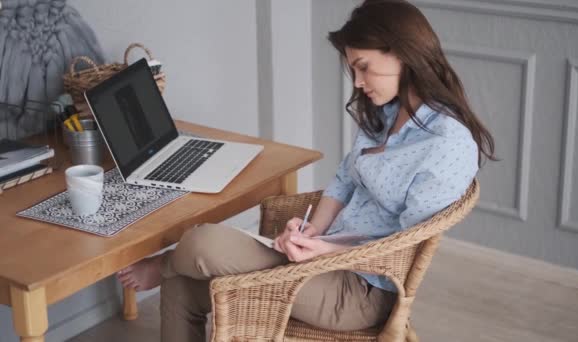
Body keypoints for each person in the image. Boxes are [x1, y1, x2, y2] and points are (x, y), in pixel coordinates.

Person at [117, 0, 496, 340]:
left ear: (403, 53)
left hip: (361, 290)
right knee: (183, 283)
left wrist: (324, 251)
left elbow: (404, 249)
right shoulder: (388, 113)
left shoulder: (447, 143)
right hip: (324, 259)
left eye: (364, 67)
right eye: (354, 70)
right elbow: (347, 178)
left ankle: (166, 261)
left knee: (200, 244)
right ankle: (172, 266)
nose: (359, 83)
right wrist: (315, 228)